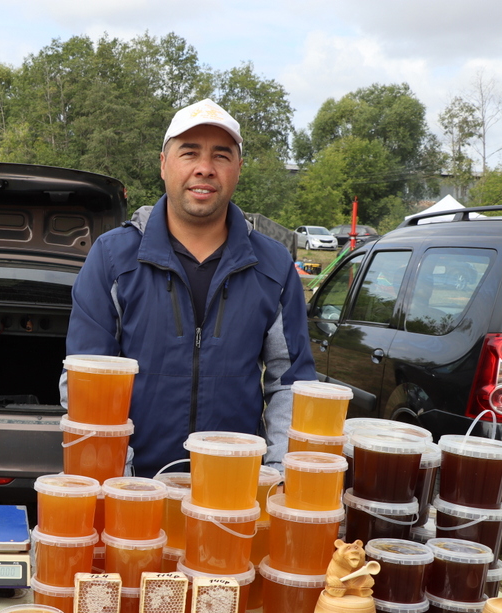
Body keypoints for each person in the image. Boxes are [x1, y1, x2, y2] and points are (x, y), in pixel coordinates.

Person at [64, 99, 316, 477]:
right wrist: (124, 485)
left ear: (238, 169)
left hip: (234, 494)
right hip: (133, 488)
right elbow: (85, 384)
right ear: (164, 163)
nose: (204, 168)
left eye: (221, 155)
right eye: (189, 152)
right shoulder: (113, 258)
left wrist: (278, 478)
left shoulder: (274, 266)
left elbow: (290, 384)